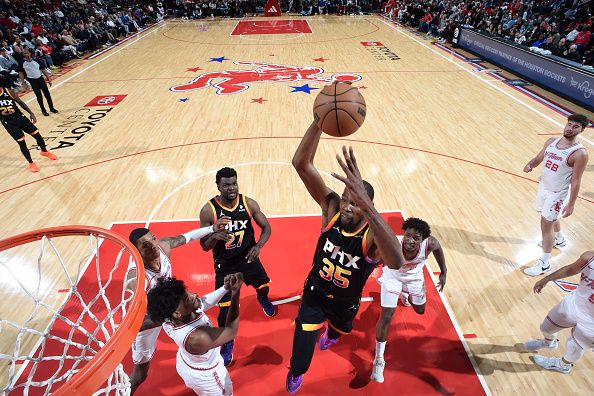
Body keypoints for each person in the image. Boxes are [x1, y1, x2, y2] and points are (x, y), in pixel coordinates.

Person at [286, 116, 404, 394]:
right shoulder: (331, 209)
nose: (348, 207)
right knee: (301, 354)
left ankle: (331, 333)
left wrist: (369, 208)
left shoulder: (373, 234)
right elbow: (301, 164)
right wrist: (318, 121)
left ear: (368, 206)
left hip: (346, 301)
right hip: (315, 292)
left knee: (340, 330)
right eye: (346, 199)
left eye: (356, 203)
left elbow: (397, 261)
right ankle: (296, 372)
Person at [126, 219, 230, 394]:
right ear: (136, 252)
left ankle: (191, 372)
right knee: (140, 375)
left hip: (167, 311)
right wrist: (171, 315)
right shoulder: (136, 281)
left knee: (194, 319)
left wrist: (212, 228)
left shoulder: (163, 247)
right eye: (146, 245)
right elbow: (136, 324)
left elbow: (187, 237)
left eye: (153, 239)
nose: (153, 246)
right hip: (149, 323)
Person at [199, 167, 277, 367]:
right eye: (226, 185)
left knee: (264, 287)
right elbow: (204, 246)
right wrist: (215, 235)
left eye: (234, 183)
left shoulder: (248, 203)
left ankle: (262, 298)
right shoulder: (209, 210)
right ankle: (227, 343)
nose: (231, 188)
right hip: (225, 265)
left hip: (249, 257)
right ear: (218, 186)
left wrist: (259, 246)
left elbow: (266, 227)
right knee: (225, 312)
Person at [371, 217, 447, 383]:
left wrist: (444, 272)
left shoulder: (430, 244)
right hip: (392, 276)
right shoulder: (394, 244)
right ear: (403, 234)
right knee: (386, 317)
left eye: (416, 238)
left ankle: (404, 294)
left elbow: (439, 249)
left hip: (414, 279)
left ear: (423, 240)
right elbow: (376, 253)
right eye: (408, 236)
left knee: (420, 310)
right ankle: (379, 359)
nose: (410, 241)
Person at [143, 273, 243, 395]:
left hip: (187, 362)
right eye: (188, 299)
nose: (195, 295)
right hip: (207, 375)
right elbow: (231, 332)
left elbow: (203, 304)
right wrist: (235, 294)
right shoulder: (196, 338)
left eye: (189, 293)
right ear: (177, 313)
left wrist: (225, 288)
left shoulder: (168, 316)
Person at [523, 114, 589, 276]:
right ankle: (559, 238)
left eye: (575, 126)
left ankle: (545, 263)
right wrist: (531, 164)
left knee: (546, 224)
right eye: (569, 124)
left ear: (581, 130)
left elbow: (576, 181)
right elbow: (539, 158)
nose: (570, 128)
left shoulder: (579, 153)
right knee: (550, 218)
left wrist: (571, 204)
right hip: (544, 187)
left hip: (558, 194)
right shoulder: (551, 142)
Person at [524, 251, 593, 373]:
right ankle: (549, 342)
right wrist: (546, 279)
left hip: (591, 322)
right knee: (546, 328)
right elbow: (570, 269)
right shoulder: (589, 257)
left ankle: (563, 365)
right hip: (574, 304)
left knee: (574, 347)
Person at [0, 76, 57, 172]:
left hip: (21, 118)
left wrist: (31, 113)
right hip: (10, 123)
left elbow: (20, 103)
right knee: (22, 143)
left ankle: (44, 151)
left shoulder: (8, 91)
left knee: (38, 135)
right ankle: (31, 162)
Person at [18, 49, 57, 116]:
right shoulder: (22, 63)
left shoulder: (37, 60)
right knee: (39, 96)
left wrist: (49, 79)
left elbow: (43, 70)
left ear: (30, 53)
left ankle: (52, 108)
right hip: (32, 80)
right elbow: (21, 73)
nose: (26, 55)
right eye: (24, 53)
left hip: (40, 79)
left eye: (27, 53)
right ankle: (43, 110)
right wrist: (23, 83)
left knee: (47, 94)